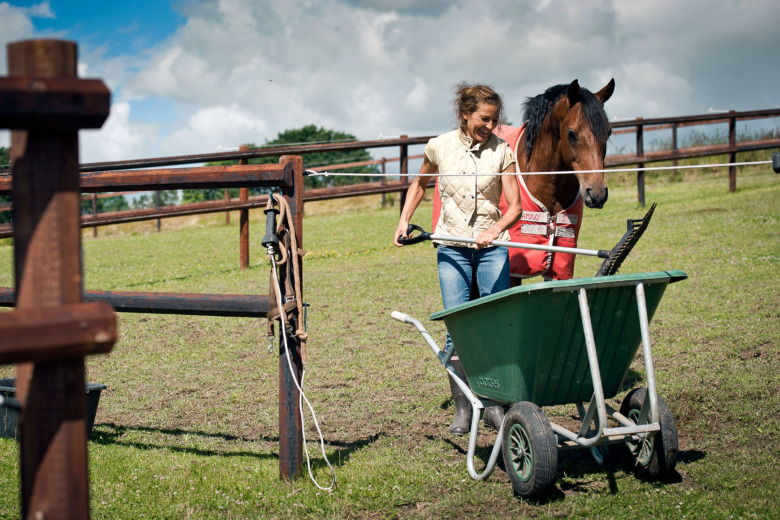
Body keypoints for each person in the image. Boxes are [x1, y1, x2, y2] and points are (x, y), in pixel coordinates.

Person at [393, 82, 522, 435]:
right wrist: (404, 219)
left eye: (494, 120)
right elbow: (419, 184)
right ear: (465, 115)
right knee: (457, 327)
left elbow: (516, 208)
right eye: (484, 118)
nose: (490, 126)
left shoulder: (503, 152)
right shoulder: (439, 147)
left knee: (492, 326)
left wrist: (495, 231)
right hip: (451, 248)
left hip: (492, 250)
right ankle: (464, 408)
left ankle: (494, 406)